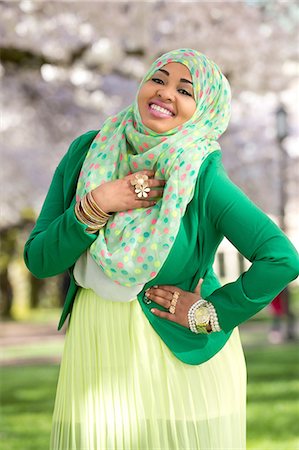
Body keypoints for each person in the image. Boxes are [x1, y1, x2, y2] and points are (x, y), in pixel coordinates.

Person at [24, 48, 299, 450]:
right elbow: (40, 259)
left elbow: (281, 258)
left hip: (174, 359)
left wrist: (212, 313)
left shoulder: (200, 172)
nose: (166, 93)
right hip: (95, 352)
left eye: (185, 90)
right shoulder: (88, 152)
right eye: (159, 79)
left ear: (203, 109)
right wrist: (98, 203)